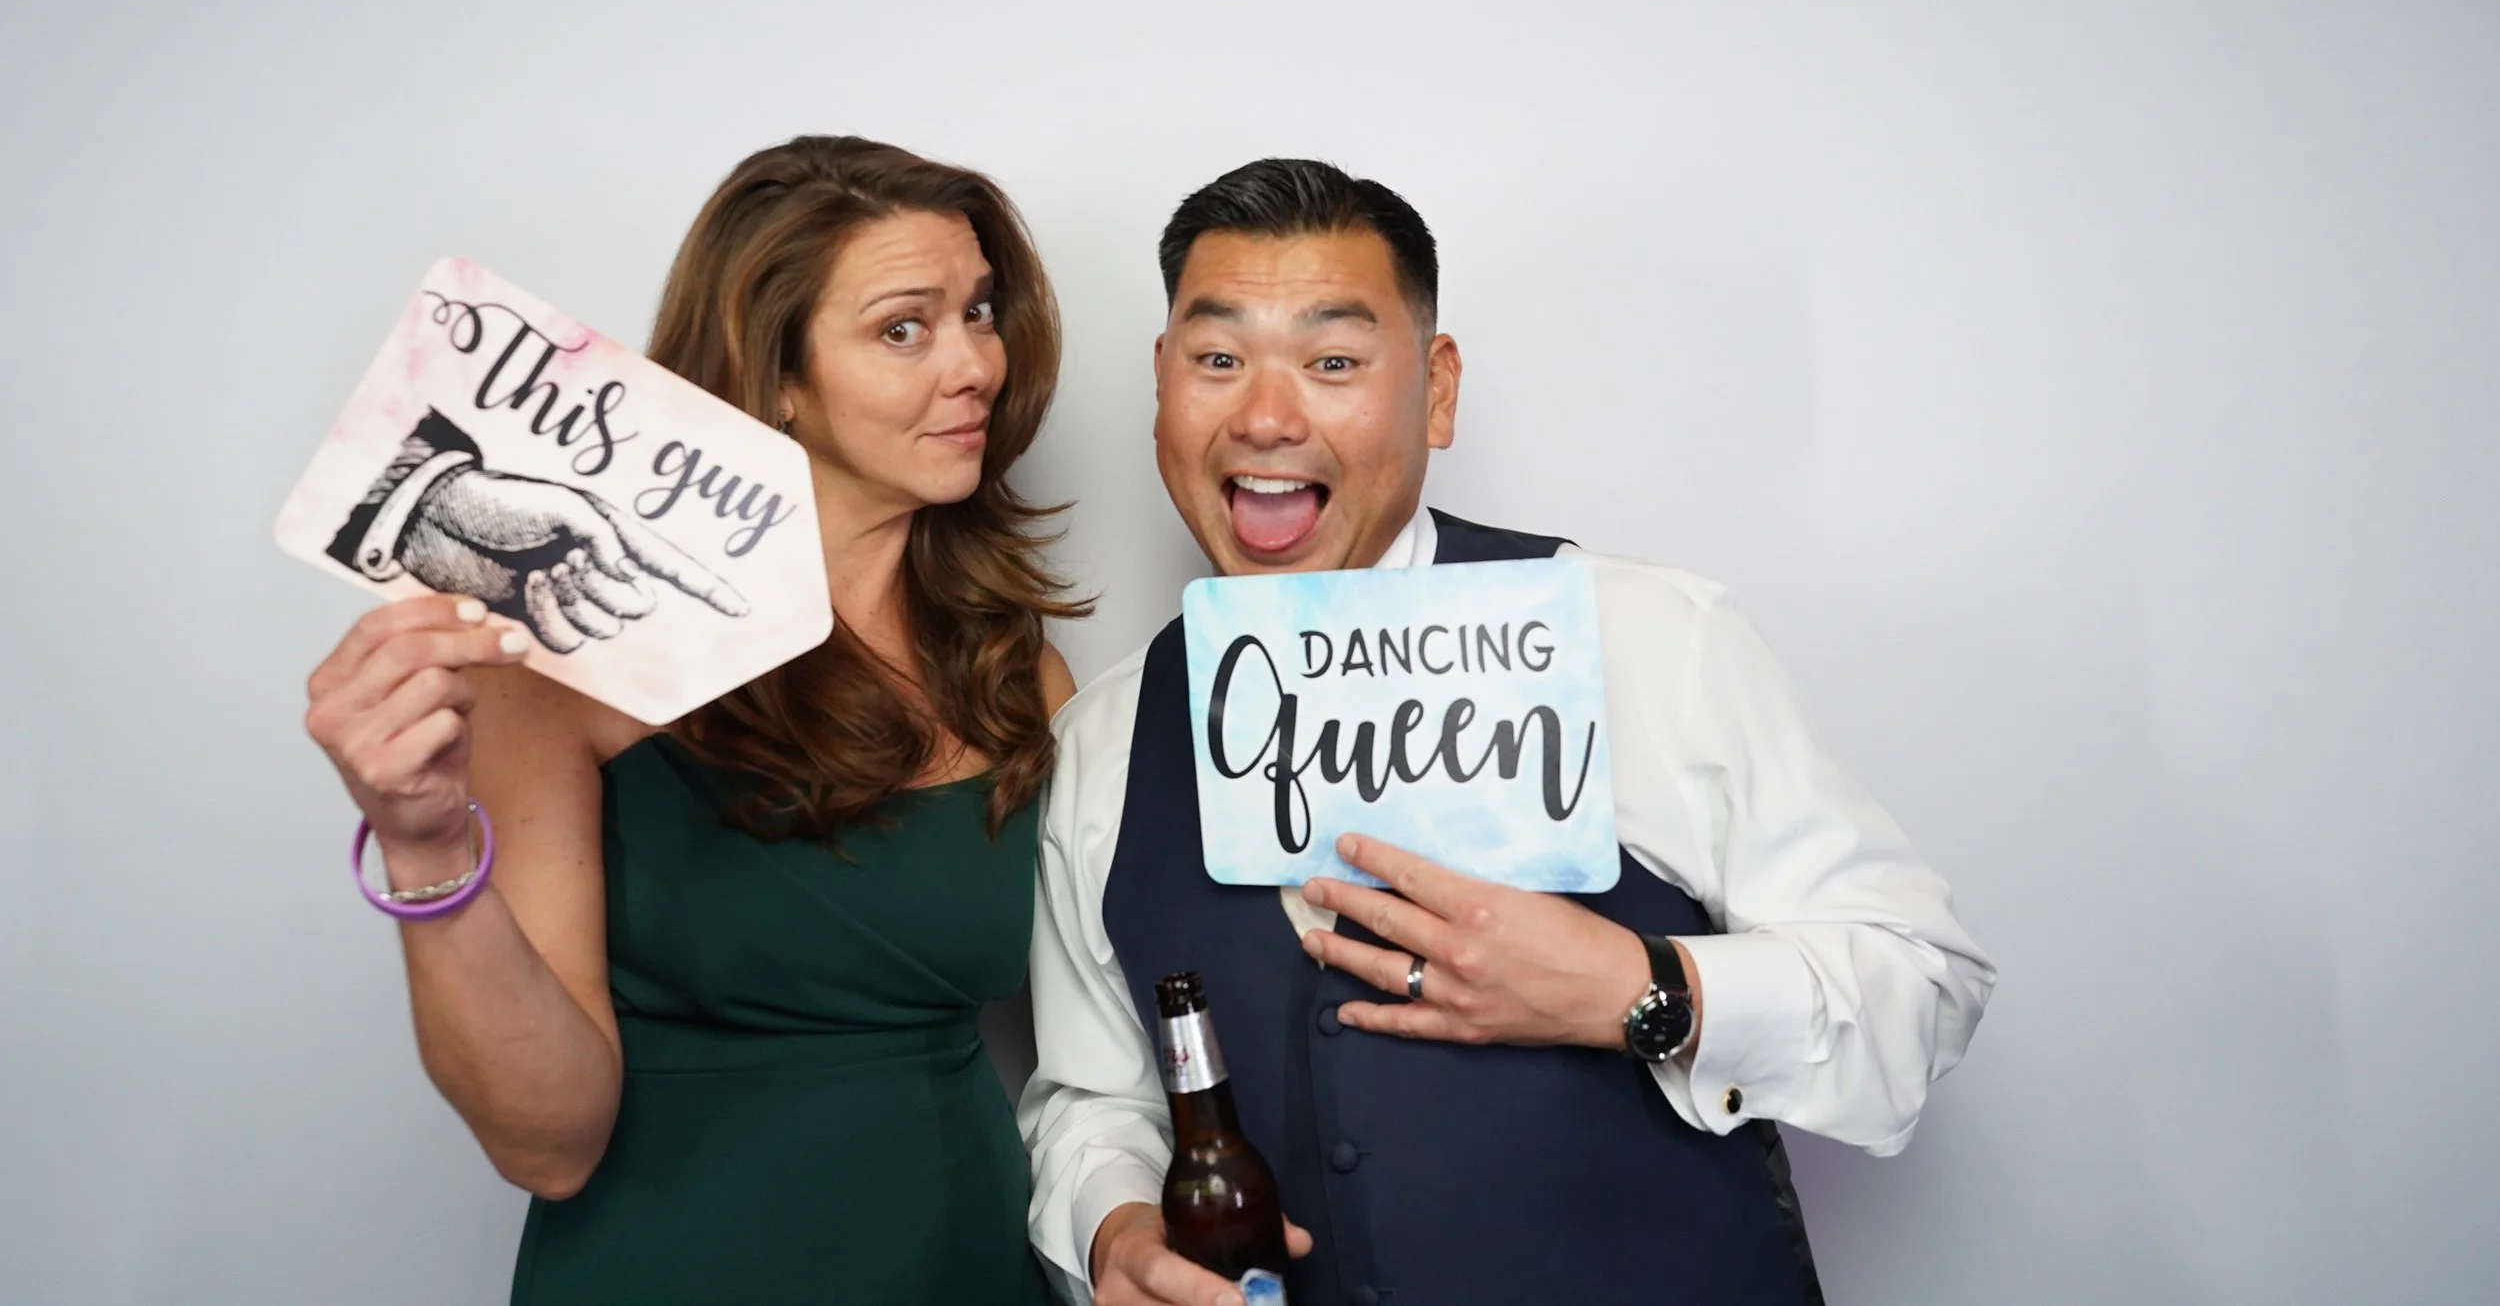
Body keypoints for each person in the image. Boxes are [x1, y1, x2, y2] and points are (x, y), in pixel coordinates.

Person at [1022, 160, 1996, 1306]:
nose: (1266, 415)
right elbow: (1095, 1096)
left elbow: (1919, 983)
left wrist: (1645, 989)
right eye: (1217, 359)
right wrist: (1115, 1224)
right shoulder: (1108, 736)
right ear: (1160, 388)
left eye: (1332, 360)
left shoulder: (1639, 635)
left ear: (1435, 390)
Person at [303, 136, 1083, 1304]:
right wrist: (425, 846)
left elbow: (1118, 1041)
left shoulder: (1023, 678)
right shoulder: (565, 660)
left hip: (957, 1254)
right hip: (676, 1261)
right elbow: (546, 1142)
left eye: (980, 310)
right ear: (776, 375)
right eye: (904, 327)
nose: (975, 360)